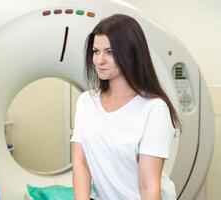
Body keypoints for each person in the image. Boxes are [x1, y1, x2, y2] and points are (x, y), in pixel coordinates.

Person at [71, 14, 180, 200]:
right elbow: (80, 162)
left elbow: (148, 186)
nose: (99, 60)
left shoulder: (153, 110)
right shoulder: (86, 102)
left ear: (131, 54)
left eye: (110, 52)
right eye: (96, 51)